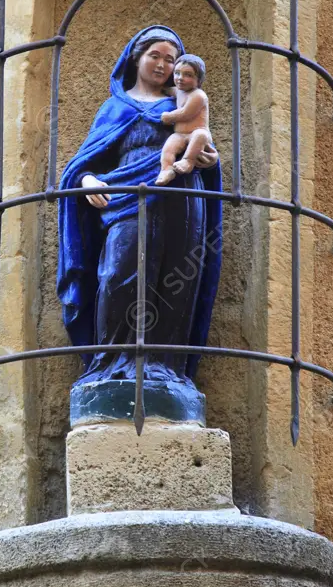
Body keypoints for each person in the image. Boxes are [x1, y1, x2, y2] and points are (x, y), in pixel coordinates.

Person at [57, 25, 222, 393]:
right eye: (155, 56)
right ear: (136, 58)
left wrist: (209, 160)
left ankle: (165, 367)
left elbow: (201, 143)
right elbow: (83, 163)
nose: (163, 65)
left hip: (181, 196)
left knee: (177, 277)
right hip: (129, 199)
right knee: (117, 274)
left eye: (170, 59)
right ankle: (109, 363)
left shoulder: (180, 105)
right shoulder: (115, 108)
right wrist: (87, 181)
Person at [156, 54, 212, 186]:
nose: (180, 78)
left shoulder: (198, 95)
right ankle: (167, 170)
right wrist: (161, 88)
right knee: (168, 148)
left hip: (197, 133)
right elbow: (170, 90)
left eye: (188, 75)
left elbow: (186, 113)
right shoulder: (179, 91)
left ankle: (188, 161)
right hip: (180, 134)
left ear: (198, 79)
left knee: (200, 135)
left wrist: (169, 117)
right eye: (177, 73)